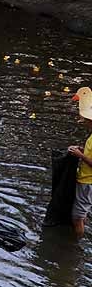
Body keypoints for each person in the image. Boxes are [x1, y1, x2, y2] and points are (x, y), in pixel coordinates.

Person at [67, 97, 92, 237]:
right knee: (82, 212)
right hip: (85, 180)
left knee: (76, 217)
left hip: (88, 182)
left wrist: (80, 156)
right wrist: (81, 150)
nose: (85, 123)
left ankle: (76, 244)